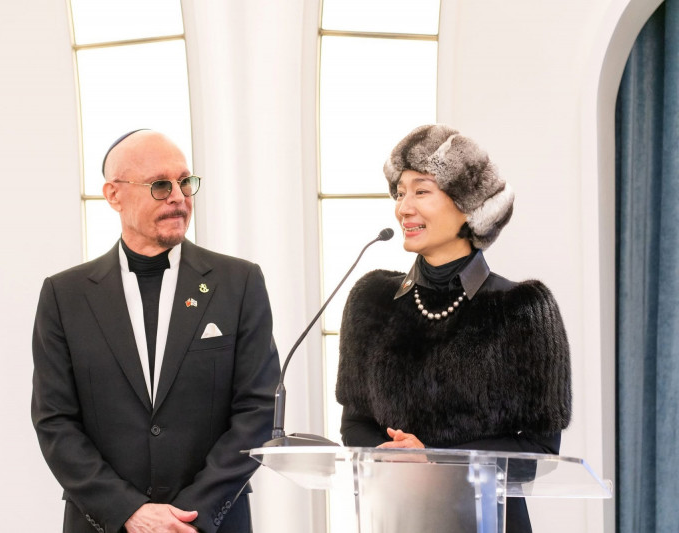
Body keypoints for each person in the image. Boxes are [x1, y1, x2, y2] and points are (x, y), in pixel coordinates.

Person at [31, 129, 280, 533]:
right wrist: (128, 511)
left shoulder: (239, 283)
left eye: (185, 182)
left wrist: (191, 513)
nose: (178, 197)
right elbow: (54, 421)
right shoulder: (65, 295)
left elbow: (258, 409)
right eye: (161, 185)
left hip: (209, 522)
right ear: (114, 194)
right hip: (105, 523)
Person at [335, 124, 571, 533]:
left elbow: (539, 449)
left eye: (421, 191)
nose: (403, 207)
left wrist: (431, 459)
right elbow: (354, 425)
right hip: (397, 518)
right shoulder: (370, 300)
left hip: (489, 522)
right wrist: (397, 457)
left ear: (469, 205)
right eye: (400, 192)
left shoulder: (524, 309)